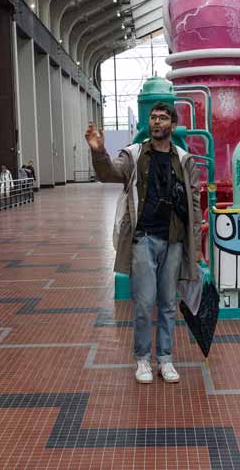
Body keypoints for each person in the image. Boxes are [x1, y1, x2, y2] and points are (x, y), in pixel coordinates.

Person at [86, 104, 202, 385]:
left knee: (168, 304)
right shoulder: (135, 155)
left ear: (172, 125)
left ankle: (165, 358)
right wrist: (98, 151)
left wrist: (195, 245)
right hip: (144, 238)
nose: (156, 122)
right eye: (153, 118)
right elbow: (109, 173)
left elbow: (195, 205)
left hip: (173, 240)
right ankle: (142, 358)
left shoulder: (185, 160)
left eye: (162, 118)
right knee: (144, 303)